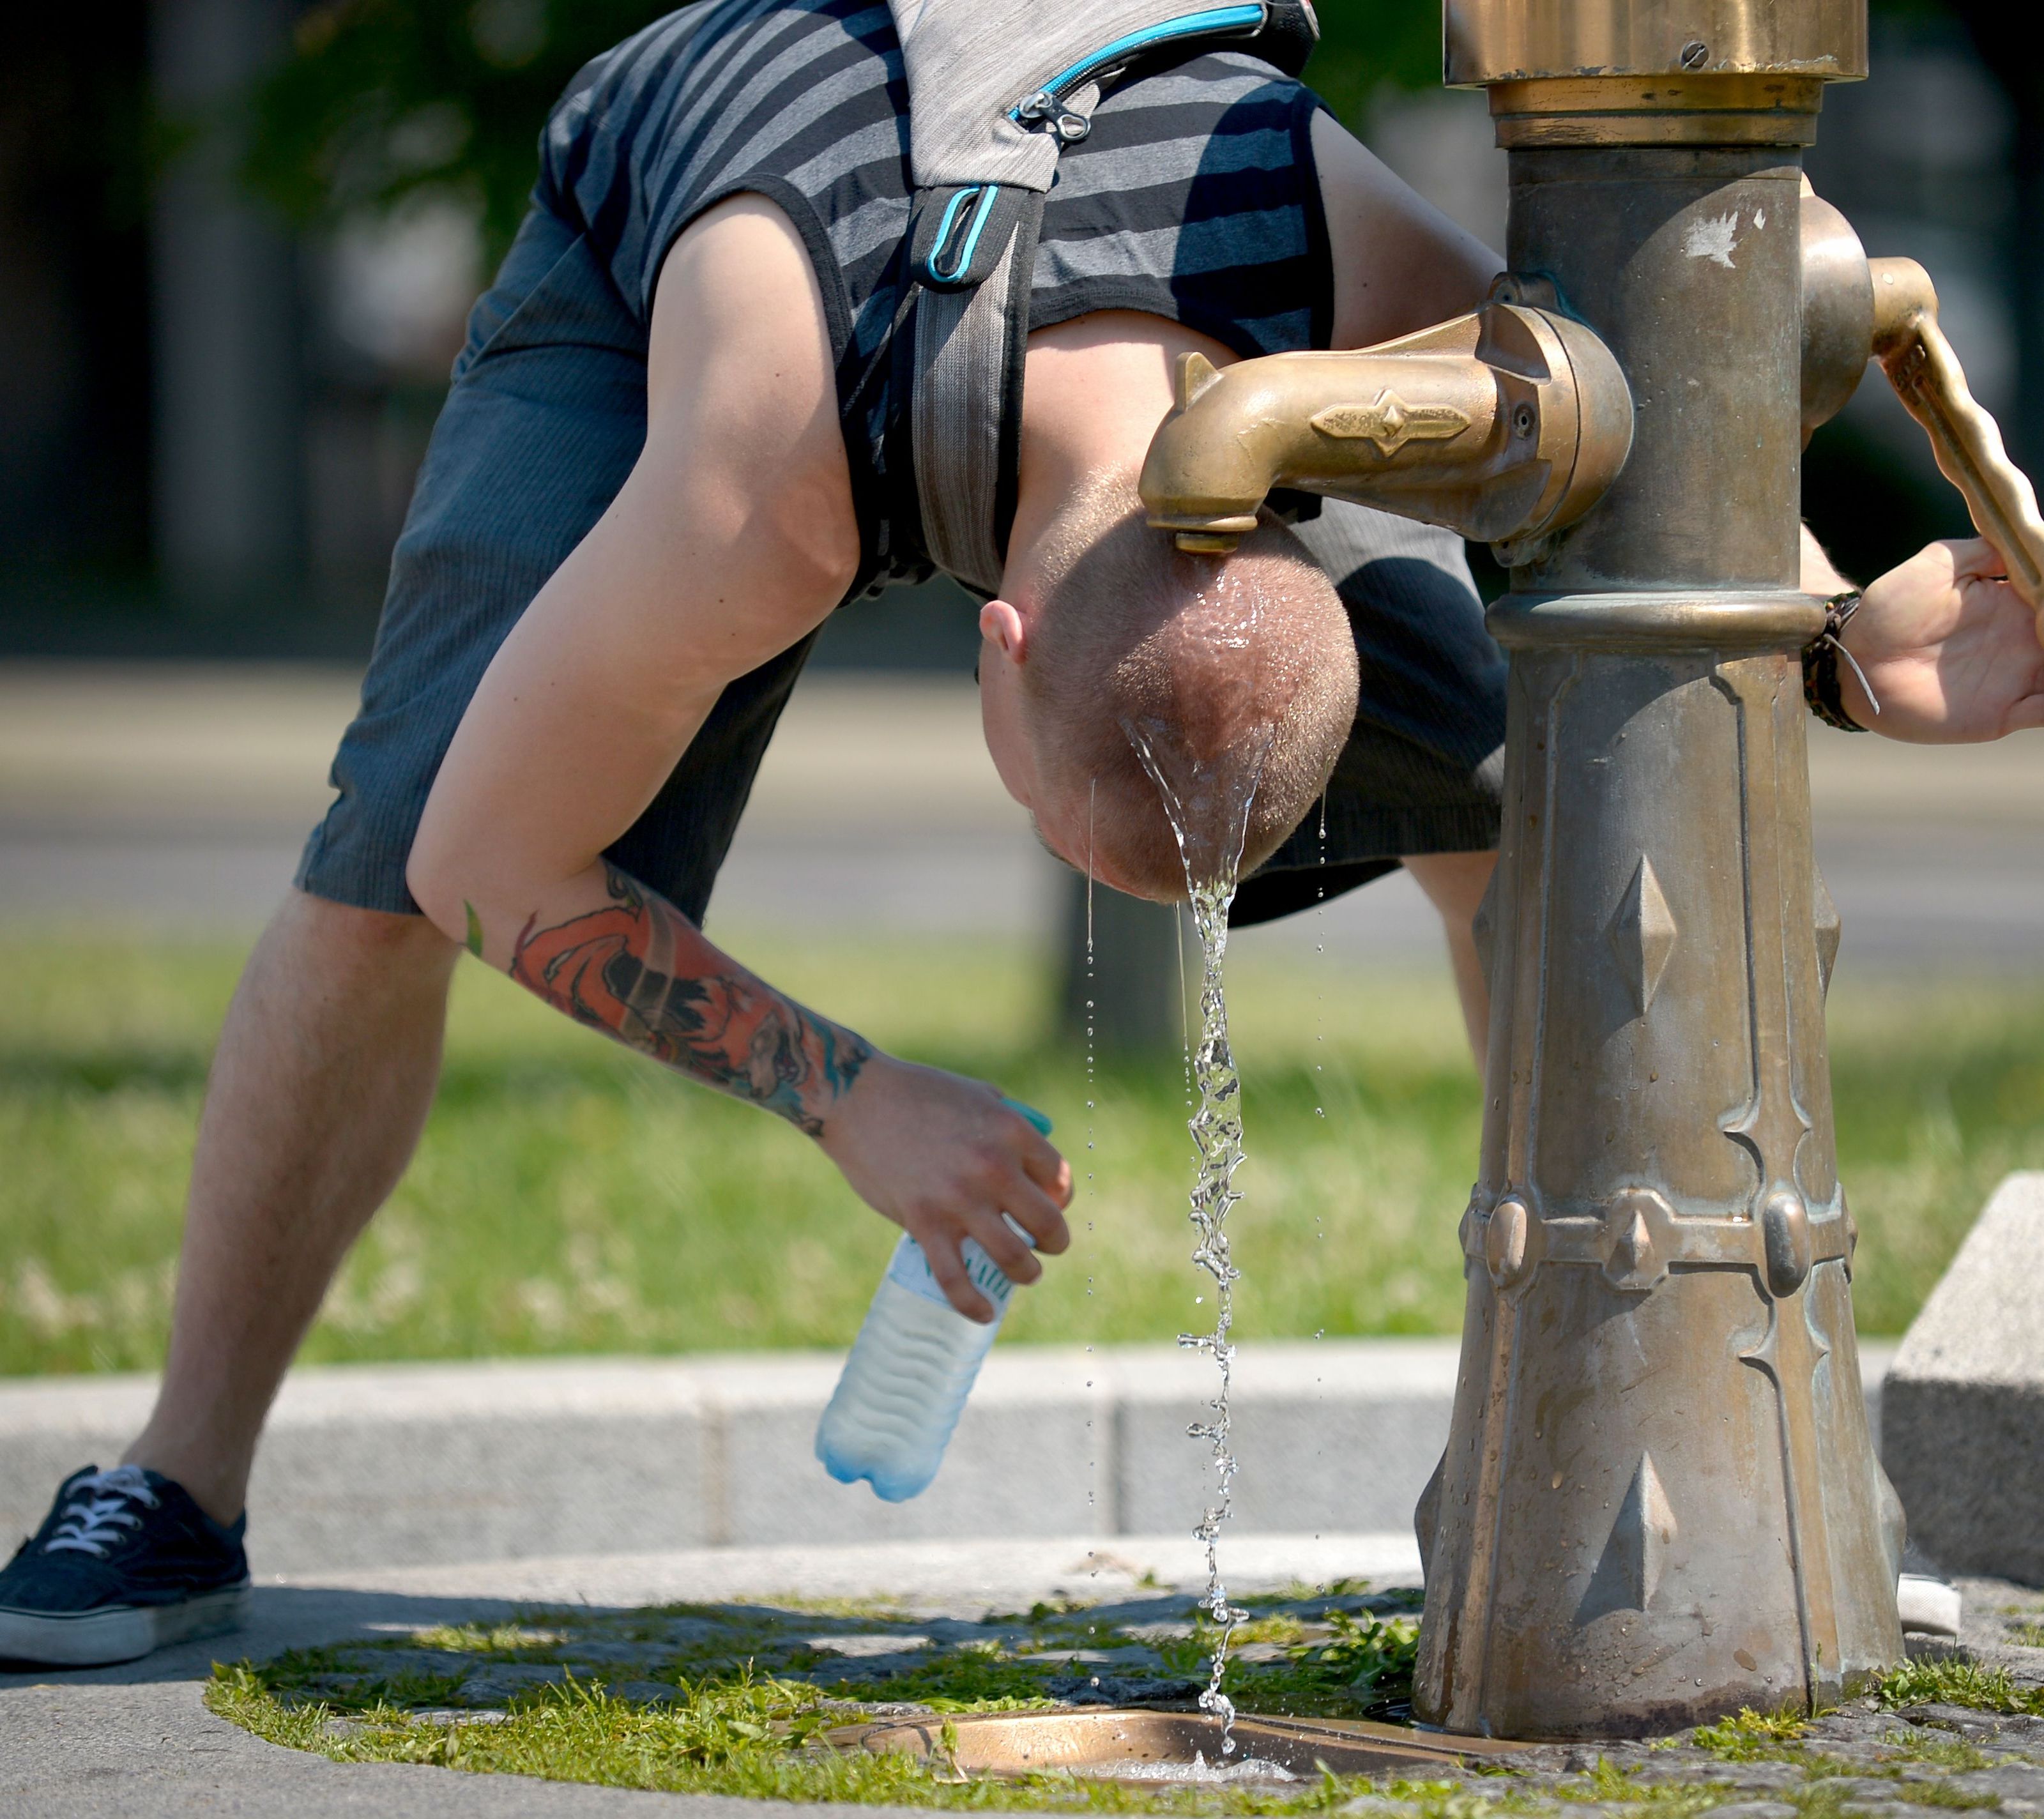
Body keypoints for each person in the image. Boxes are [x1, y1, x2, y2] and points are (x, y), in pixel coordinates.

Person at [4, 0, 2040, 1670]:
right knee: (385, 859)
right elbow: (486, 868)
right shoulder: (759, 491)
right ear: (991, 644)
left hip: (1114, 193)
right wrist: (850, 1096)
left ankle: (1551, 1440)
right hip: (710, 219)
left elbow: (1625, 433)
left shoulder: (1309, 231)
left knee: (1526, 788)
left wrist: (1851, 644)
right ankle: (172, 1486)